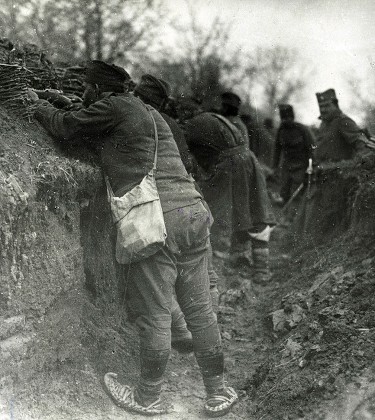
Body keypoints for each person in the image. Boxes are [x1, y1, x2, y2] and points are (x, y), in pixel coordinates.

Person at [28, 60, 238, 417]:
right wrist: (64, 100)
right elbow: (95, 118)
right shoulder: (147, 111)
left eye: (87, 91)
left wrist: (39, 105)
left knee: (155, 313)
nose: (85, 96)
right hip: (193, 212)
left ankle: (148, 397)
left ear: (96, 89)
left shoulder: (112, 108)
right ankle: (218, 393)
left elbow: (67, 127)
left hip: (158, 219)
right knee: (200, 311)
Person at [184, 107, 276, 284]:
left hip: (229, 165)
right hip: (248, 160)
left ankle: (220, 269)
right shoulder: (216, 120)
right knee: (255, 211)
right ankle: (260, 269)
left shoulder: (195, 126)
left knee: (220, 214)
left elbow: (198, 159)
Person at [273, 104, 315, 210]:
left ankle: (291, 219)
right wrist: (274, 167)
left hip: (301, 166)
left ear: (292, 117)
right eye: (284, 118)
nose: (286, 121)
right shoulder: (281, 131)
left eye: (288, 118)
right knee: (284, 192)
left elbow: (311, 149)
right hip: (287, 166)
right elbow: (277, 150)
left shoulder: (302, 130)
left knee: (296, 194)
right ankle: (284, 215)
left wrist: (310, 167)